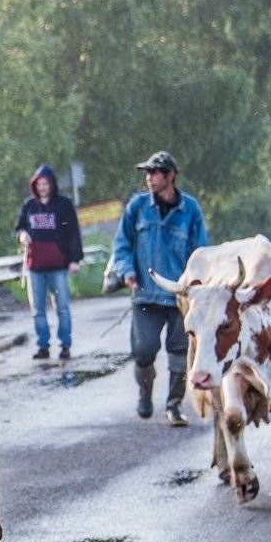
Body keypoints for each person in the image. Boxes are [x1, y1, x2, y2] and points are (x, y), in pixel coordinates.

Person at [108, 150, 208, 425]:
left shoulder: (190, 210)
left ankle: (174, 406)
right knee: (143, 352)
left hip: (179, 296)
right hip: (145, 295)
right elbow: (122, 245)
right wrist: (127, 271)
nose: (149, 178)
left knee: (178, 353)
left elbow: (200, 252)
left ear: (170, 176)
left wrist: (197, 284)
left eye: (154, 173)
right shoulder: (138, 207)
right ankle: (145, 391)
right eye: (147, 174)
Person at [15, 164, 83, 360]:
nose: (42, 187)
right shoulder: (29, 205)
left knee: (62, 307)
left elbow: (73, 234)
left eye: (46, 183)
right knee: (37, 309)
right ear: (34, 186)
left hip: (59, 266)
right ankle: (43, 346)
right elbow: (19, 228)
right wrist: (23, 235)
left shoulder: (64, 204)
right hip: (35, 266)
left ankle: (65, 346)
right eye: (39, 184)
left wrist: (74, 260)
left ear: (52, 184)